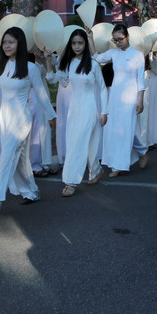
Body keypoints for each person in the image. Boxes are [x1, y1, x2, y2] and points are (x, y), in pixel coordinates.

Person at [0, 27, 56, 212]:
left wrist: (52, 116)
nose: (7, 45)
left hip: (22, 120)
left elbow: (42, 94)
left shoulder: (30, 68)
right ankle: (31, 191)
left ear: (19, 44)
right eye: (4, 42)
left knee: (7, 156)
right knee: (19, 158)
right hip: (5, 118)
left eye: (11, 42)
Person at [44, 27, 108, 196]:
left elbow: (102, 88)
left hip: (89, 108)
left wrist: (104, 111)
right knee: (78, 142)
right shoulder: (69, 63)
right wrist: (48, 61)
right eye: (74, 43)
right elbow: (51, 80)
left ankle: (71, 181)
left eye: (80, 43)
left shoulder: (93, 64)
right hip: (74, 108)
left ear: (85, 44)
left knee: (78, 144)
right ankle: (96, 170)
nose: (77, 46)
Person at [94, 23, 147, 176]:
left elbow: (140, 81)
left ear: (127, 37)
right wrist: (90, 38)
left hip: (131, 98)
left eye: (120, 39)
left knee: (127, 130)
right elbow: (96, 58)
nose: (118, 43)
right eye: (115, 40)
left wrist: (140, 100)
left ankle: (124, 162)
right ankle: (119, 163)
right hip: (115, 97)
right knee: (114, 130)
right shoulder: (113, 53)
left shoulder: (137, 55)